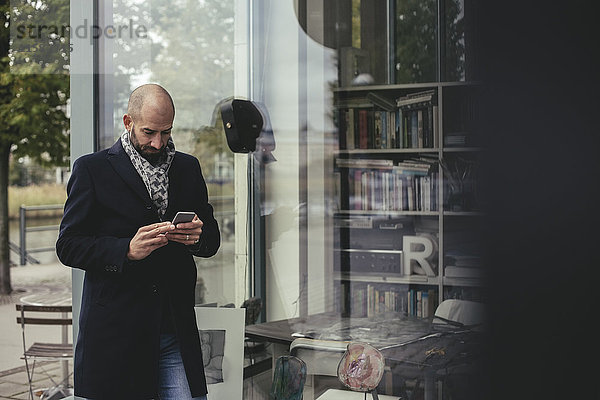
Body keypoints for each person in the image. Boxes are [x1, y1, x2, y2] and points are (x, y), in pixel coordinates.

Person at [56, 84, 220, 399]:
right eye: (149, 132)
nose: (158, 142)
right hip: (117, 332)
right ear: (128, 122)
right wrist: (126, 250)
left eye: (166, 132)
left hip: (174, 326)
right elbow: (68, 244)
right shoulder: (92, 169)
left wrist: (198, 237)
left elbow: (210, 237)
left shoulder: (187, 167)